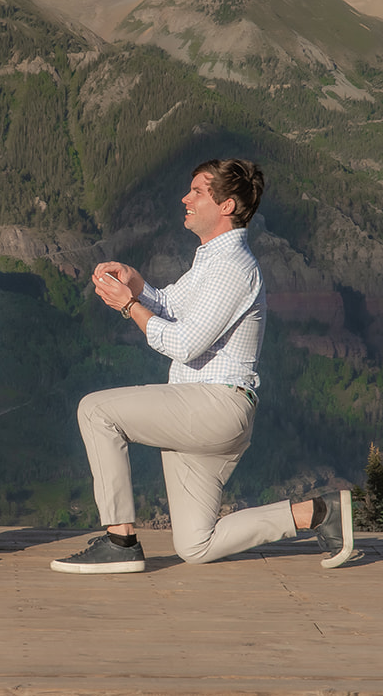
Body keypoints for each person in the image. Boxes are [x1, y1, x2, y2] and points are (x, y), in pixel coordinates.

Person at [50, 158, 356, 574]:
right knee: (196, 544)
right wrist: (136, 284)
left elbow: (184, 343)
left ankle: (120, 541)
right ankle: (319, 514)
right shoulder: (212, 258)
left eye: (197, 191)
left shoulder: (232, 267)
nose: (185, 199)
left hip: (215, 406)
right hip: (206, 409)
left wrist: (129, 306)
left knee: (95, 410)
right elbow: (173, 306)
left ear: (226, 205)